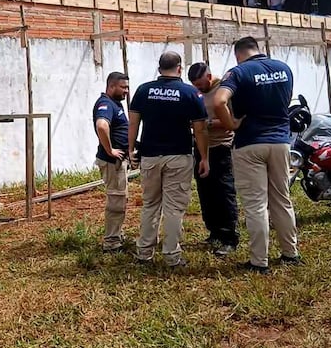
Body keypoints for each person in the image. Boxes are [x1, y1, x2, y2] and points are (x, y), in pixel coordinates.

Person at [213, 36, 301, 274]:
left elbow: (220, 100)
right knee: (282, 199)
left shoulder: (239, 72)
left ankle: (259, 261)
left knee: (256, 204)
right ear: (258, 49)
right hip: (281, 143)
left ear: (237, 54)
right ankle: (290, 253)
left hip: (250, 143)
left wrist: (231, 124)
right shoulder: (284, 69)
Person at [128, 51, 209, 267]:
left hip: (150, 157)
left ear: (159, 68)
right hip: (178, 156)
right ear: (180, 68)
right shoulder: (190, 92)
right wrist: (204, 157)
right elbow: (200, 130)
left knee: (150, 204)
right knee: (174, 208)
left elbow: (133, 123)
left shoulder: (143, 90)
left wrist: (130, 149)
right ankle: (172, 255)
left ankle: (144, 252)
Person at [188, 62, 239, 256]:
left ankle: (229, 237)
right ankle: (214, 231)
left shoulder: (223, 90)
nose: (198, 88)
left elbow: (232, 121)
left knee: (223, 192)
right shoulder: (196, 92)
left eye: (200, 84)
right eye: (194, 85)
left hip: (221, 147)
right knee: (205, 191)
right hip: (201, 149)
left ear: (209, 77)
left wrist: (205, 124)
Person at [92, 72, 130, 253]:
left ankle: (116, 235)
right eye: (123, 87)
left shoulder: (114, 104)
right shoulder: (106, 104)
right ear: (111, 86)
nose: (126, 91)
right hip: (111, 163)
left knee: (120, 199)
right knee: (116, 201)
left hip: (117, 162)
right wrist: (110, 150)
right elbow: (101, 125)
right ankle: (112, 243)